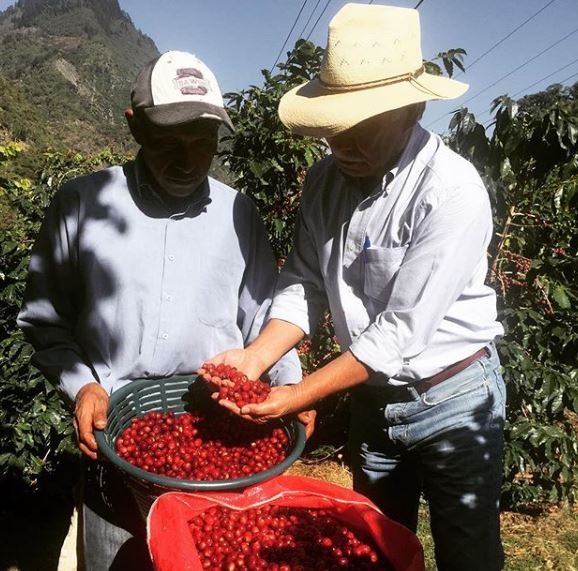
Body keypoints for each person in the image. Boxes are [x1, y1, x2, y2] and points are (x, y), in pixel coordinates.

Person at [200, 5, 506, 571]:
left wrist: (298, 395)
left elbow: (397, 335)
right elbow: (304, 282)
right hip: (375, 400)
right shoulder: (323, 181)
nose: (344, 141)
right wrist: (255, 357)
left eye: (364, 124)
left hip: (453, 399)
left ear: (412, 108)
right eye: (336, 125)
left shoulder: (451, 192)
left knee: (469, 554)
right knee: (371, 547)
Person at [17, 50, 302, 571]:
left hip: (219, 433)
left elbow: (264, 315)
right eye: (169, 141)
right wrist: (83, 385)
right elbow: (44, 318)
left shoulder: (238, 213)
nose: (188, 159)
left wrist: (292, 387)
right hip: (118, 442)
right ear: (135, 126)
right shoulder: (81, 205)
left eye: (203, 142)